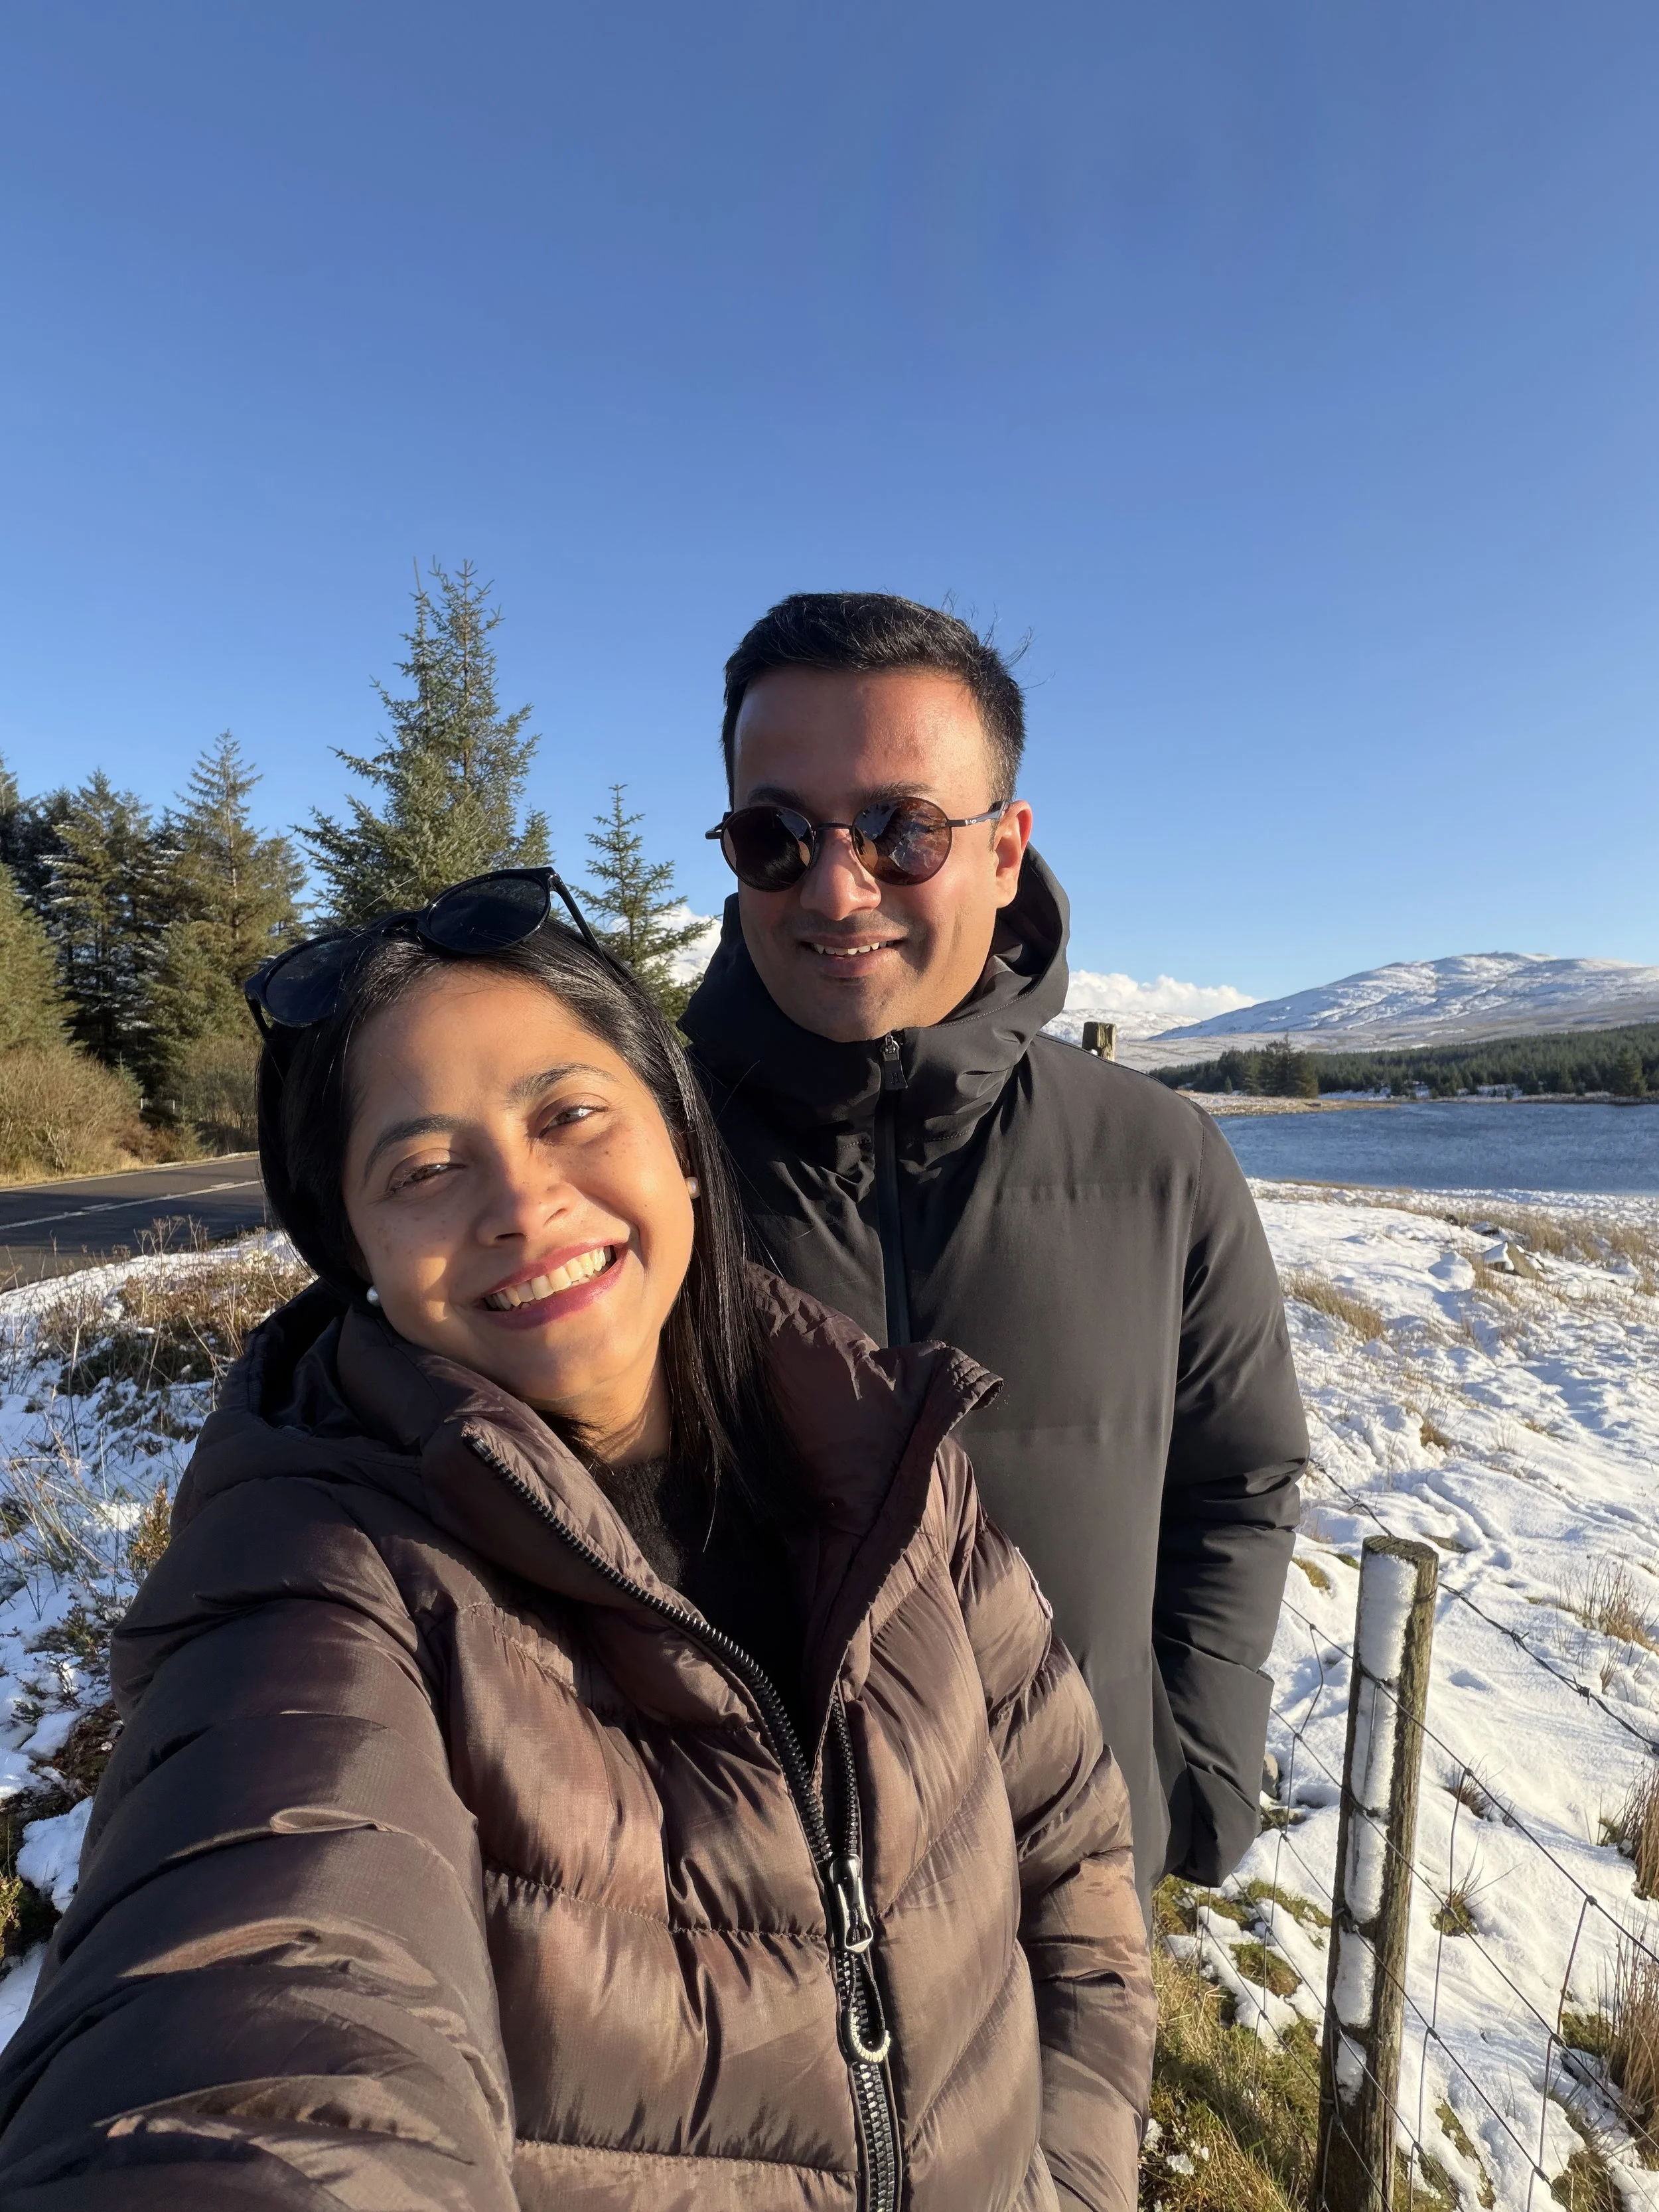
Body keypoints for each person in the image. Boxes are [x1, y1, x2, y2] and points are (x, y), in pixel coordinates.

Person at [0, 868, 1153, 2212]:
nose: (520, 1200)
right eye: (422, 1167)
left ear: (677, 1137)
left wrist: (1071, 2177)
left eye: (569, 1113)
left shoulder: (886, 1463)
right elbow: (257, 2021)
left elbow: (1069, 1848)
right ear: (354, 1246)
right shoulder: (321, 1578)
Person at [682, 594, 1309, 1907]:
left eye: (902, 830)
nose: (835, 888)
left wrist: (1187, 1770)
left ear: (1005, 849)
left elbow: (1235, 1476)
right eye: (775, 835)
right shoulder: (629, 1164)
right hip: (729, 1947)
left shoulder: (1157, 1157)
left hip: (1066, 1913)